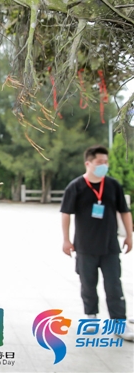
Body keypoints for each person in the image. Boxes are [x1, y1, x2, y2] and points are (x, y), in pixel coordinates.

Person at [61, 145, 133, 341]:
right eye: (99, 162)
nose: (104, 165)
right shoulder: (76, 186)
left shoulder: (113, 185)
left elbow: (124, 212)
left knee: (114, 286)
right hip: (85, 247)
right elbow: (65, 213)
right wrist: (66, 240)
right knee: (88, 285)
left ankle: (119, 323)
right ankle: (91, 317)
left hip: (110, 247)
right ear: (88, 163)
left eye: (106, 162)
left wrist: (129, 235)